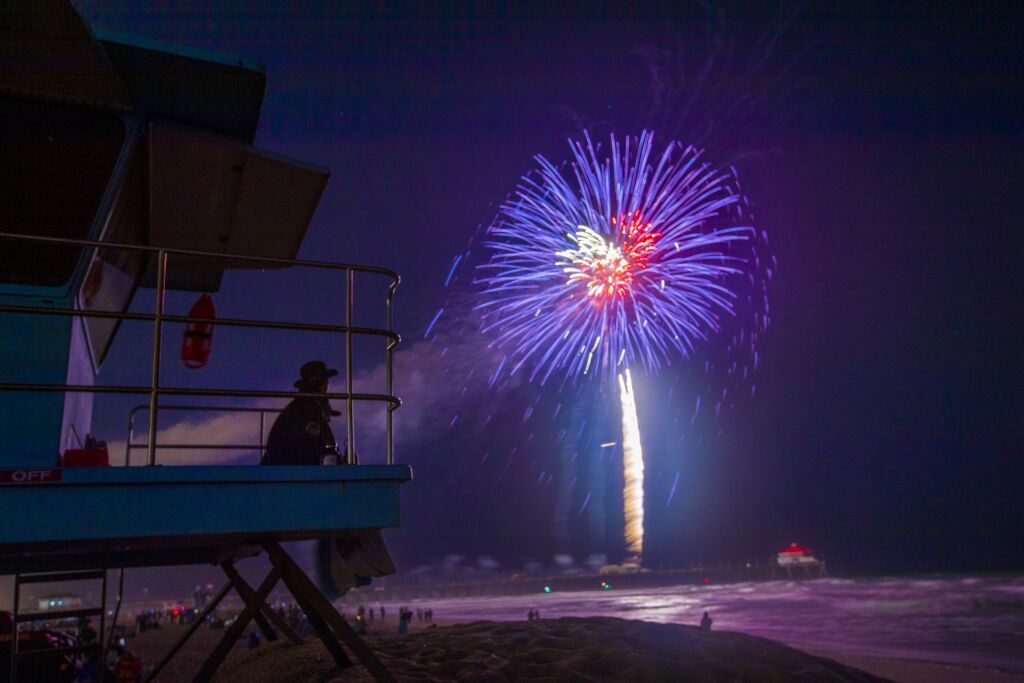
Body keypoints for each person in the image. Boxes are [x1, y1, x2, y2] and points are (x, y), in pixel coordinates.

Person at [264, 361, 344, 465]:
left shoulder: (299, 406)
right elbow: (313, 447)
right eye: (326, 381)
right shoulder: (309, 409)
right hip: (290, 471)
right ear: (322, 384)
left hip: (281, 467)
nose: (328, 385)